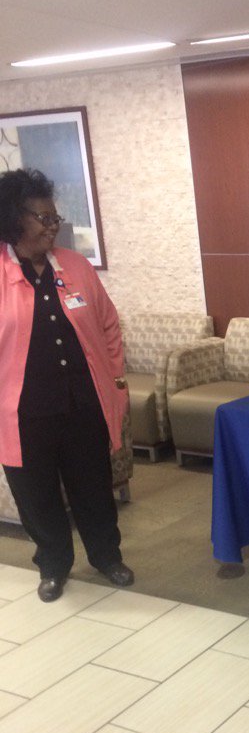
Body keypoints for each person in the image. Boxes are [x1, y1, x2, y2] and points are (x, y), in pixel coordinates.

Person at [0, 168, 134, 602]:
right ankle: (54, 565)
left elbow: (109, 324)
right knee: (37, 496)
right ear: (14, 219)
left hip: (82, 403)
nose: (52, 225)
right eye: (42, 217)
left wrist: (115, 379)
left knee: (93, 486)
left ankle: (106, 557)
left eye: (54, 216)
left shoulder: (74, 265)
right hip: (23, 412)